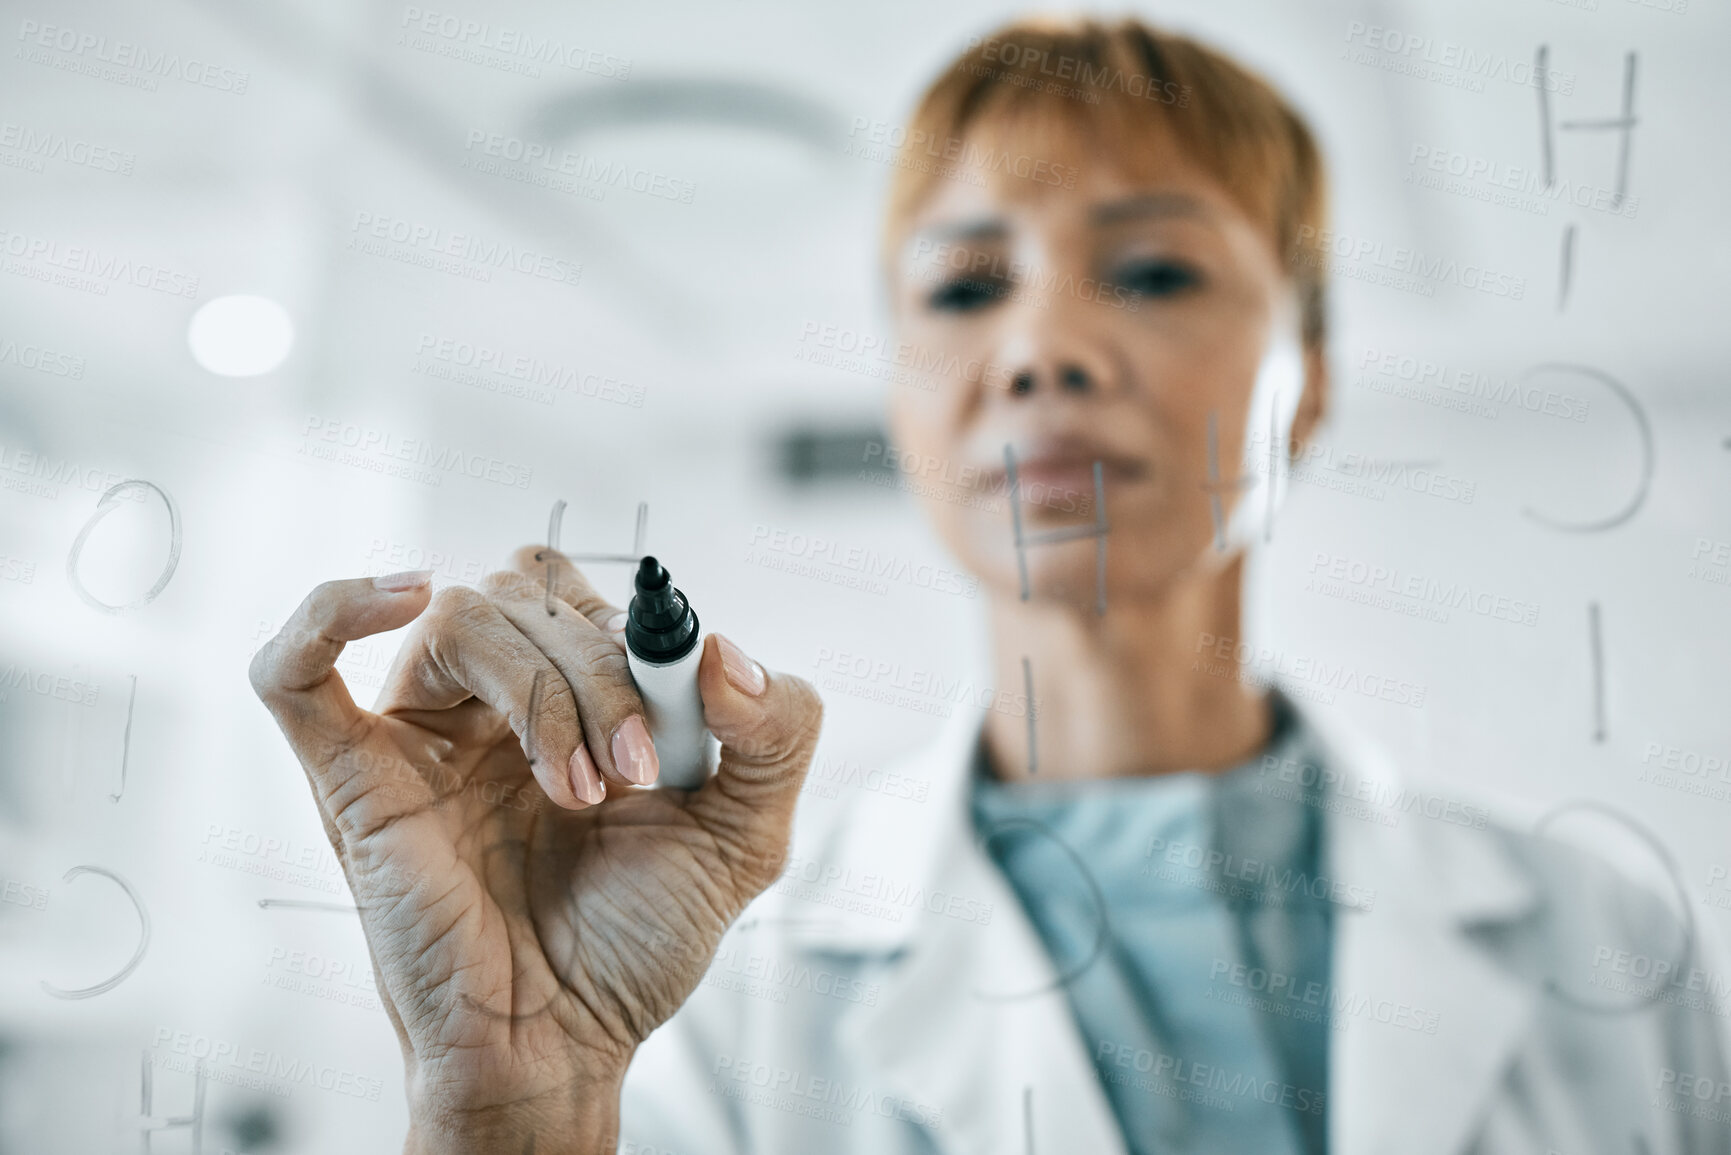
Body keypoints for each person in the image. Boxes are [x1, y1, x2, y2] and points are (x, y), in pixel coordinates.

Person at [249, 17, 1728, 1154]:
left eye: (1150, 274)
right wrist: (512, 1114)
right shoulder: (724, 1001)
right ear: (905, 396)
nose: (1038, 351)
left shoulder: (1607, 943)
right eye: (964, 290)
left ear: (1314, 382)